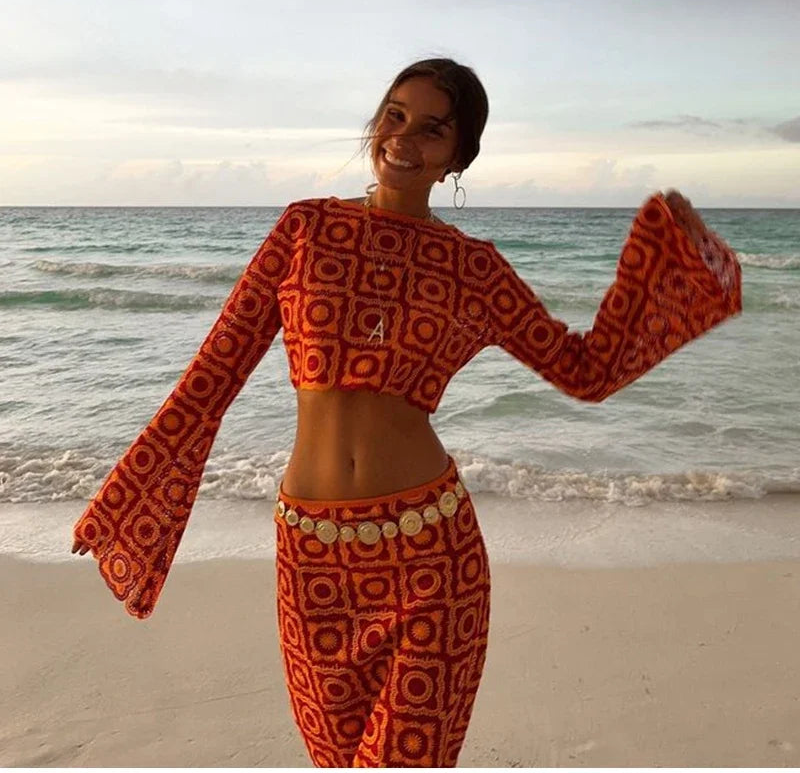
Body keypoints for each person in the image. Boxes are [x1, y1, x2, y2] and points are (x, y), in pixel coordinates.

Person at [72, 58, 742, 767]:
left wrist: (677, 260)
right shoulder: (304, 229)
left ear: (458, 156)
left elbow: (586, 371)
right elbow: (213, 375)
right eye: (394, 116)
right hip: (310, 560)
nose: (403, 138)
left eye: (431, 129)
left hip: (431, 558)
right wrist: (127, 494)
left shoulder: (474, 268)